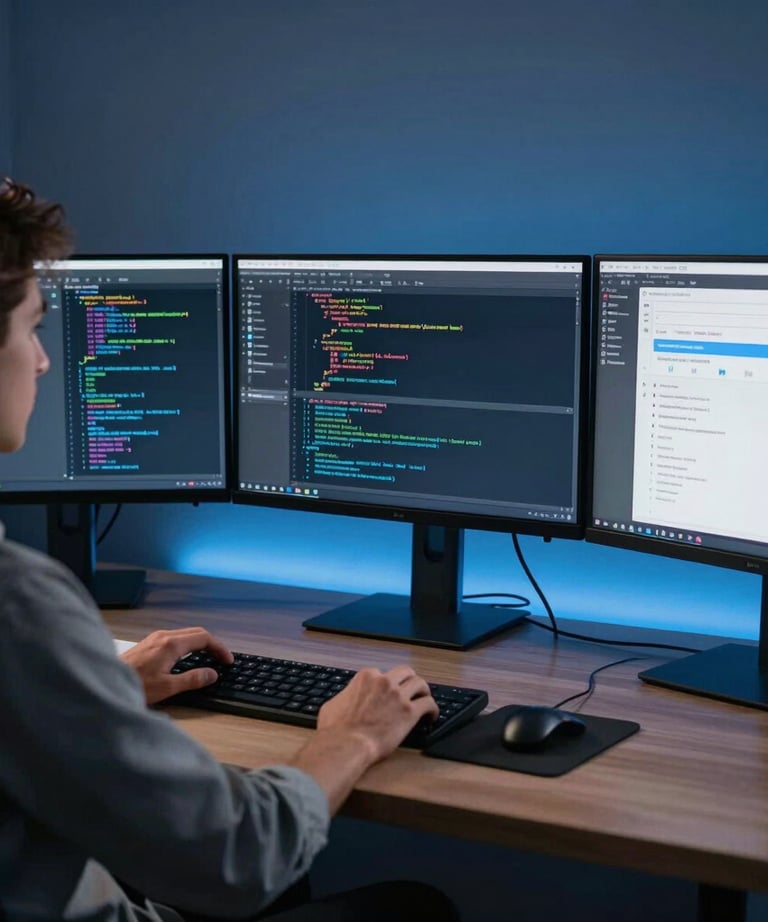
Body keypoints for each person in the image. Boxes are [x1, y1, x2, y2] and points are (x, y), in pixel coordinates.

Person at [0, 177, 460, 922]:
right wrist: (353, 739)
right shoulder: (16, 601)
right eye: (31, 329)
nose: (44, 362)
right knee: (413, 907)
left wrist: (97, 697)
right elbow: (237, 860)